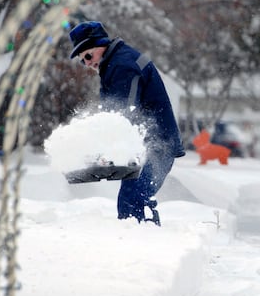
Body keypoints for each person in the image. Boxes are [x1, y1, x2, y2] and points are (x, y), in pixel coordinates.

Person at [68, 20, 185, 225]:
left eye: (88, 55)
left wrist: (105, 148)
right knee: (135, 200)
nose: (87, 63)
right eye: (82, 60)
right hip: (149, 144)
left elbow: (126, 114)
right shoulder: (115, 63)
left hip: (157, 145)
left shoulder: (122, 65)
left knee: (133, 202)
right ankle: (147, 242)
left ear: (101, 44)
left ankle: (144, 246)